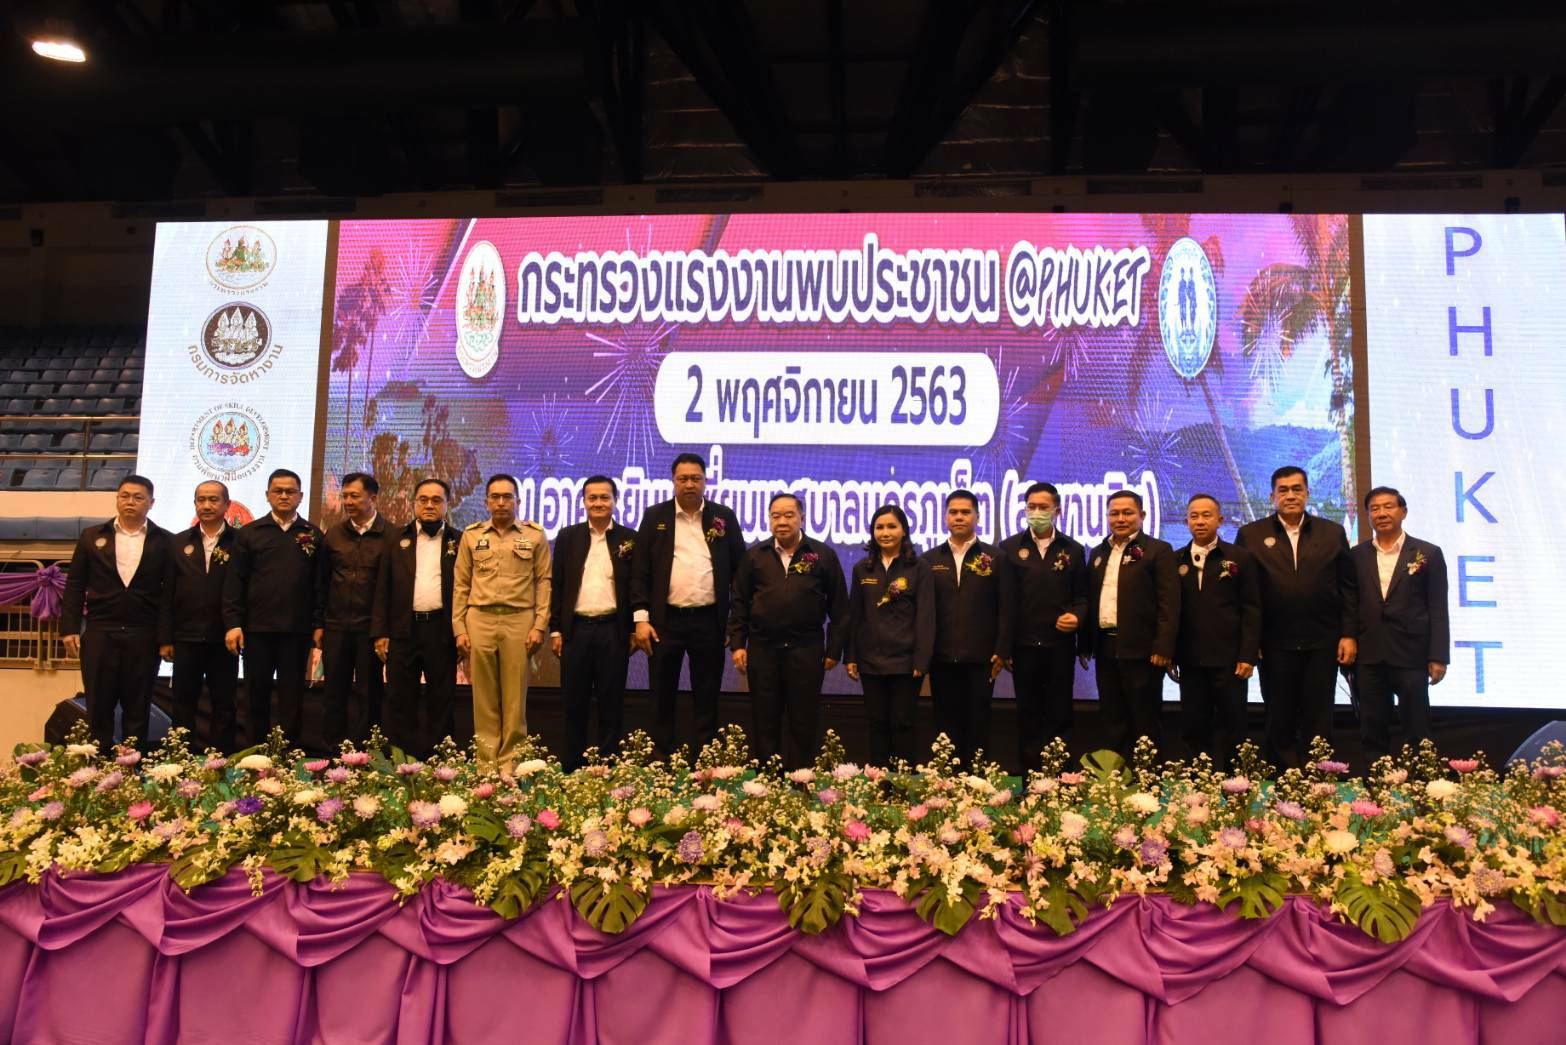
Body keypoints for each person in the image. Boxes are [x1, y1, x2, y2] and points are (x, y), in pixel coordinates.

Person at [1236, 465, 1357, 767]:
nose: (1290, 495)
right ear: (1272, 497)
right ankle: (1284, 778)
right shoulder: (1251, 535)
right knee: (1279, 714)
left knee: (1319, 714)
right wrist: (1251, 642)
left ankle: (1319, 775)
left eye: (1296, 489)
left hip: (1323, 641)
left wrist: (1348, 634)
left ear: (1307, 493)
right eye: (1283, 490)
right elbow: (1243, 594)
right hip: (1273, 643)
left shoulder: (1332, 533)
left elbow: (1348, 588)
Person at [630, 452, 746, 755]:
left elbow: (741, 572)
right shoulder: (655, 516)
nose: (690, 484)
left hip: (709, 621)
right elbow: (640, 572)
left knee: (707, 693)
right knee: (661, 693)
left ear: (705, 481)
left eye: (696, 478)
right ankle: (662, 759)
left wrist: (732, 622)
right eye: (683, 479)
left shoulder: (723, 517)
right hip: (664, 621)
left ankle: (704, 761)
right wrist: (641, 619)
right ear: (673, 481)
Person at [728, 492, 848, 767]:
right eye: (776, 516)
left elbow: (840, 607)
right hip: (763, 649)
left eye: (789, 515)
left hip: (806, 649)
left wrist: (834, 650)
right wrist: (737, 644)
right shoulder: (754, 556)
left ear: (802, 518)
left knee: (803, 718)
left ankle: (800, 777)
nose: (782, 521)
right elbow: (739, 603)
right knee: (764, 717)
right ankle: (768, 777)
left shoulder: (823, 555)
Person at [59, 475, 172, 749]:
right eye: (125, 496)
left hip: (144, 633)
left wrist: (166, 637)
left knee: (138, 705)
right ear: (117, 499)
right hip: (100, 630)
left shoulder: (166, 541)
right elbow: (75, 585)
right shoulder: (91, 536)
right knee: (99, 703)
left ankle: (130, 765)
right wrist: (70, 628)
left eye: (138, 497)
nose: (130, 502)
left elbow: (170, 595)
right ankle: (98, 764)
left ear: (151, 503)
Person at [452, 474, 551, 770]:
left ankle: (510, 763)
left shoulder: (535, 535)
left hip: (519, 619)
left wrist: (540, 625)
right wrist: (459, 628)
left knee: (514, 697)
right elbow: (461, 584)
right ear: (486, 502)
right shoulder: (472, 535)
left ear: (518, 501)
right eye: (495, 497)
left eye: (507, 497)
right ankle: (486, 764)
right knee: (483, 697)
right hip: (479, 618)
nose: (501, 502)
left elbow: (544, 582)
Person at [223, 468, 324, 746]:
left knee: (292, 696)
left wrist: (318, 624)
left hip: (297, 631)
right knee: (256, 694)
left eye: (290, 491)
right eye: (277, 491)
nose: (284, 496)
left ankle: (288, 753)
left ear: (300, 496)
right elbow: (235, 583)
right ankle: (255, 752)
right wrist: (233, 624)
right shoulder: (250, 534)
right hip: (257, 630)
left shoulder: (313, 534)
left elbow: (320, 586)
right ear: (267, 495)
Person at [1351, 486, 1449, 763]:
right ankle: (1376, 781)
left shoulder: (1427, 553)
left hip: (1411, 653)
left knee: (1417, 727)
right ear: (1368, 516)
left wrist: (1438, 656)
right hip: (1369, 654)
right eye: (1374, 509)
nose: (1381, 513)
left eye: (1388, 506)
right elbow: (1350, 603)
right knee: (1372, 727)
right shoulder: (1356, 555)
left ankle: (1421, 780)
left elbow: (1438, 608)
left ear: (1403, 512)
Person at [548, 475, 637, 770]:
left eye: (604, 497)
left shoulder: (630, 538)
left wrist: (633, 628)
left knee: (612, 702)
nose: (599, 503)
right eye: (593, 498)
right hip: (576, 631)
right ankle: (572, 766)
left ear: (615, 501)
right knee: (574, 702)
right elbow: (558, 585)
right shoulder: (568, 536)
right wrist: (556, 629)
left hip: (613, 630)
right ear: (584, 501)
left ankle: (608, 767)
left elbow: (637, 587)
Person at [1082, 490, 1179, 758]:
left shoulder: (1158, 550)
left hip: (1144, 651)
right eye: (1114, 513)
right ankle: (1116, 774)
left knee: (1145, 717)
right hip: (1106, 647)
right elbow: (1091, 600)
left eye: (1127, 513)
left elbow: (1169, 603)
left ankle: (1148, 776)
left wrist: (1164, 647)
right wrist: (1085, 644)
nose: (1120, 518)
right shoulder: (1099, 552)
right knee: (1112, 716)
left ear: (1142, 515)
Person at [997, 481, 1087, 769]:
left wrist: (1077, 616)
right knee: (1028, 714)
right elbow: (1004, 602)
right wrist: (1004, 647)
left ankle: (1062, 779)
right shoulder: (1009, 548)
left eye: (1043, 507)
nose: (1037, 512)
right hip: (1023, 648)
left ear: (1057, 511)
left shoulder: (1073, 549)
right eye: (1031, 507)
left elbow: (1082, 598)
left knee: (1060, 714)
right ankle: (1031, 780)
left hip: (1060, 647)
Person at [1170, 494, 1261, 771]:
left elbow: (1252, 609)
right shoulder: (1175, 560)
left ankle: (1236, 786)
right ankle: (1201, 784)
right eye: (1194, 516)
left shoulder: (1239, 558)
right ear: (1186, 521)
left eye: (1206, 515)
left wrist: (1247, 655)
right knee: (1194, 727)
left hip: (1230, 661)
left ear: (1220, 520)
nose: (1200, 521)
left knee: (1234, 726)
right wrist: (1170, 653)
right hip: (1190, 661)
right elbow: (1169, 611)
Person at [372, 477, 459, 758]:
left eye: (436, 500)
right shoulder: (395, 539)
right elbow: (382, 587)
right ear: (414, 503)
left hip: (441, 630)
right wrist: (380, 632)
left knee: (441, 697)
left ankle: (440, 760)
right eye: (423, 500)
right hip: (403, 630)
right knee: (400, 697)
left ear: (447, 504)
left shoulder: (459, 541)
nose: (429, 505)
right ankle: (402, 758)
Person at [844, 504, 934, 766]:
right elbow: (855, 615)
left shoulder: (919, 567)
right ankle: (879, 779)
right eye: (879, 527)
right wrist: (851, 656)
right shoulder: (862, 568)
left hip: (906, 662)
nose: (885, 533)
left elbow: (926, 616)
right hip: (870, 662)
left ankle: (902, 780)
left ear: (904, 530)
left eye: (891, 526)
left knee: (902, 723)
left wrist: (922, 659)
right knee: (877, 723)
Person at [921, 489, 1003, 766]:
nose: (959, 517)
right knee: (945, 723)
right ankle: (947, 780)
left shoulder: (995, 557)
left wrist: (1002, 649)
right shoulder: (929, 559)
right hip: (941, 657)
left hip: (982, 658)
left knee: (978, 721)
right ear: (945, 517)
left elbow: (1006, 607)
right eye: (953, 512)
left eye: (965, 512)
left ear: (977, 516)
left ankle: (976, 779)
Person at [159, 480, 240, 752]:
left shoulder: (240, 542)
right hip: (186, 637)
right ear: (195, 503)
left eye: (213, 499)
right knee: (183, 702)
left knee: (224, 704)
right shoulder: (177, 542)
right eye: (201, 499)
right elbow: (167, 593)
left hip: (224, 638)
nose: (206, 505)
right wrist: (165, 638)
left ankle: (222, 761)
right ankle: (182, 761)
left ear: (227, 504)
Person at [316, 472, 389, 749]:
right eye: (345, 496)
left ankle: (367, 752)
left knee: (369, 693)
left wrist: (384, 629)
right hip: (336, 627)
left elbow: (393, 589)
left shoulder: (391, 535)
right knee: (334, 692)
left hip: (371, 629)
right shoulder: (334, 534)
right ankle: (333, 751)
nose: (348, 501)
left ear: (373, 498)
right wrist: (319, 623)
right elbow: (322, 582)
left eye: (354, 496)